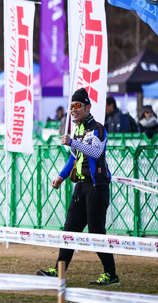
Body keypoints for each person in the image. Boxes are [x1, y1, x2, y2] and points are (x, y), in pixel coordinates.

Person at [37, 88, 120, 286]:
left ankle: (111, 274)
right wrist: (61, 176)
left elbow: (96, 151)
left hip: (96, 186)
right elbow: (74, 157)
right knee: (70, 229)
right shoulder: (78, 129)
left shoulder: (97, 127)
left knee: (96, 231)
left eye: (77, 106)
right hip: (81, 186)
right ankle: (59, 271)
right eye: (71, 106)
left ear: (87, 107)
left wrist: (73, 142)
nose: (73, 110)